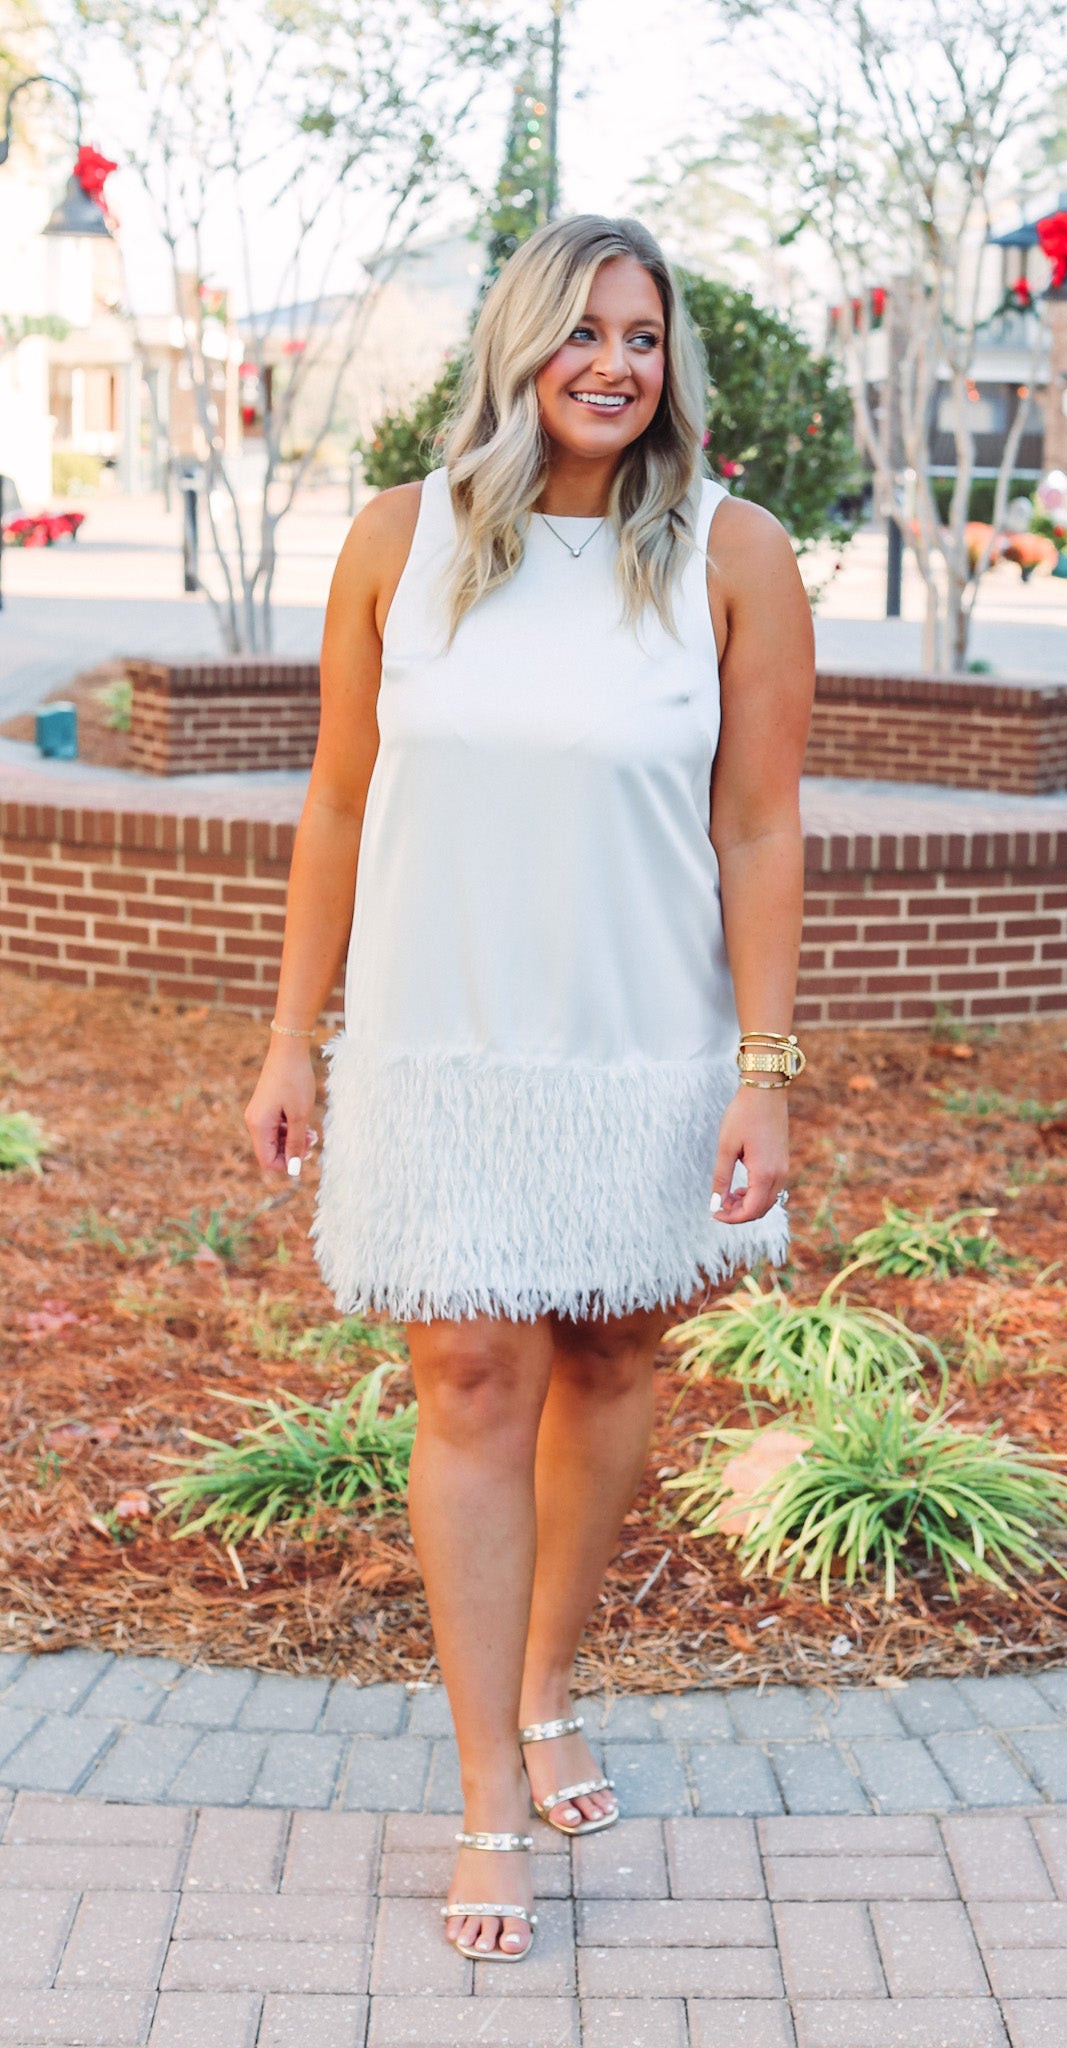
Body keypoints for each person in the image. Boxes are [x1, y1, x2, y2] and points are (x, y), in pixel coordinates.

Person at [245, 214, 814, 1963]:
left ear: (670, 366)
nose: (613, 365)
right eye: (582, 332)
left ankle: (551, 1674)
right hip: (439, 1041)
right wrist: (288, 1035)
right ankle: (488, 1789)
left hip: (645, 1040)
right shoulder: (397, 545)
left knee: (614, 1354)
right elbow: (337, 804)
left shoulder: (732, 553)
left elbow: (760, 825)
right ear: (518, 347)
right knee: (473, 1375)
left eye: (642, 337)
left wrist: (767, 1073)